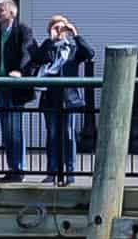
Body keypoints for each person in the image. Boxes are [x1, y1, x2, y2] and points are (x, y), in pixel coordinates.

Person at [26, 14, 94, 179]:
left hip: (69, 98)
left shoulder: (73, 48)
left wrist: (75, 34)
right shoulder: (48, 47)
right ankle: (52, 172)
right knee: (52, 134)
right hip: (50, 97)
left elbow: (89, 53)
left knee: (69, 134)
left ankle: (70, 172)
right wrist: (51, 40)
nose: (59, 30)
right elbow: (36, 59)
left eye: (62, 27)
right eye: (55, 27)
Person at [0, 0, 35, 177]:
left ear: (12, 12)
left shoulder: (22, 30)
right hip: (0, 86)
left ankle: (19, 168)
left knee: (15, 128)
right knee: (6, 128)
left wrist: (20, 71)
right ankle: (12, 167)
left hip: (15, 86)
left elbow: (26, 52)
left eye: (1, 10)